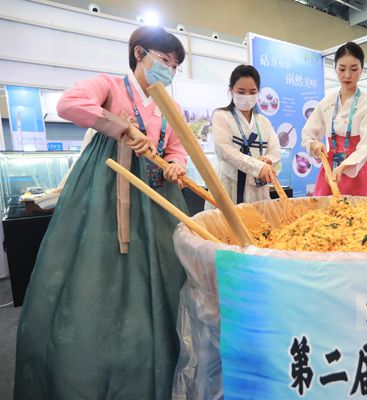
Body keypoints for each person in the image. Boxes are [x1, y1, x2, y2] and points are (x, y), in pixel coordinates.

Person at [14, 26, 188, 400]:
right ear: (139, 53)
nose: (170, 70)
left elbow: (176, 146)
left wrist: (176, 164)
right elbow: (69, 104)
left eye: (175, 66)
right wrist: (120, 127)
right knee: (105, 273)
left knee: (166, 271)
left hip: (157, 195)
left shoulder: (166, 106)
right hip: (108, 193)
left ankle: (163, 355)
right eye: (165, 60)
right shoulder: (110, 85)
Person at [302, 42, 367, 196]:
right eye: (342, 69)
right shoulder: (327, 102)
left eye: (354, 69)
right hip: (330, 167)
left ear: (362, 69)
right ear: (335, 69)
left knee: (359, 209)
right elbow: (308, 134)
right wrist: (315, 144)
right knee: (327, 209)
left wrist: (344, 166)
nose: (347, 75)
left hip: (358, 168)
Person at [212, 64, 280, 204]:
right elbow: (224, 150)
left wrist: (267, 160)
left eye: (252, 92)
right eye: (241, 92)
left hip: (258, 188)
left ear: (258, 92)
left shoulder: (263, 122)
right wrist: (257, 166)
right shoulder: (221, 116)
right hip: (230, 184)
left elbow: (275, 151)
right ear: (231, 90)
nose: (247, 96)